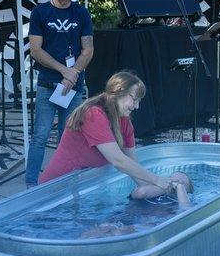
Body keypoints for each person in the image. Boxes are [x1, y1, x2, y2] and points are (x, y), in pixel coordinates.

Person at [39, 70, 174, 196]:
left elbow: (135, 168)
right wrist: (157, 180)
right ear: (119, 92)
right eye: (134, 99)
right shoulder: (93, 114)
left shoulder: (124, 122)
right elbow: (118, 161)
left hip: (78, 189)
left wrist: (163, 191)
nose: (137, 106)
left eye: (139, 101)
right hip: (54, 190)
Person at [25, 0, 94, 188]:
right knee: (40, 136)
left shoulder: (81, 12)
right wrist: (64, 70)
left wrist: (72, 74)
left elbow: (88, 49)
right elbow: (36, 50)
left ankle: (63, 183)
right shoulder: (40, 12)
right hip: (47, 84)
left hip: (72, 85)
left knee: (68, 137)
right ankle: (31, 185)